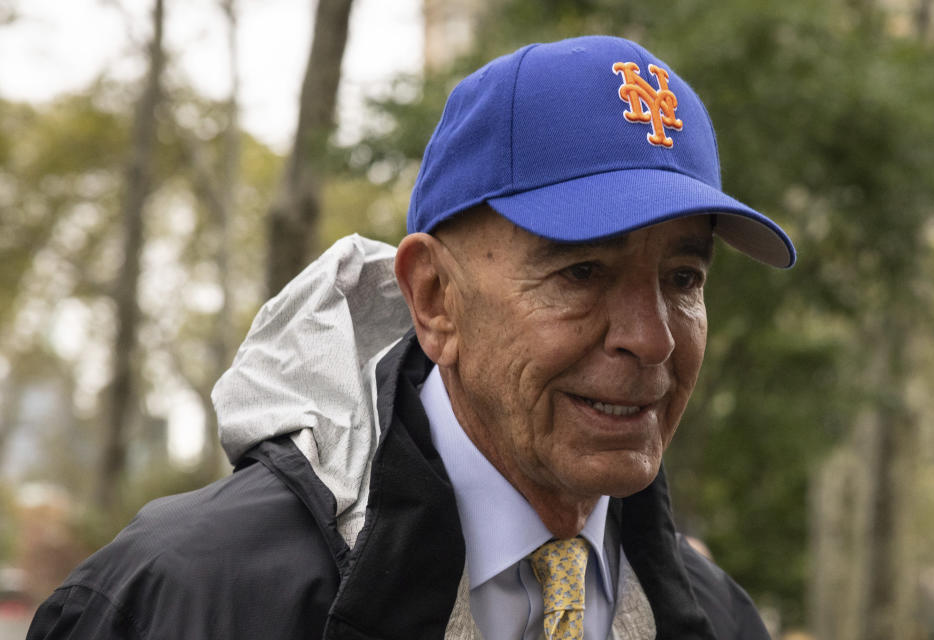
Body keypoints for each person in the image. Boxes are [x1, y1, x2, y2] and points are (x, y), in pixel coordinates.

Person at [27, 35, 795, 640]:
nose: (652, 339)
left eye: (683, 279)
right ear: (434, 299)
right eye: (584, 272)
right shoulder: (182, 601)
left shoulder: (719, 621)